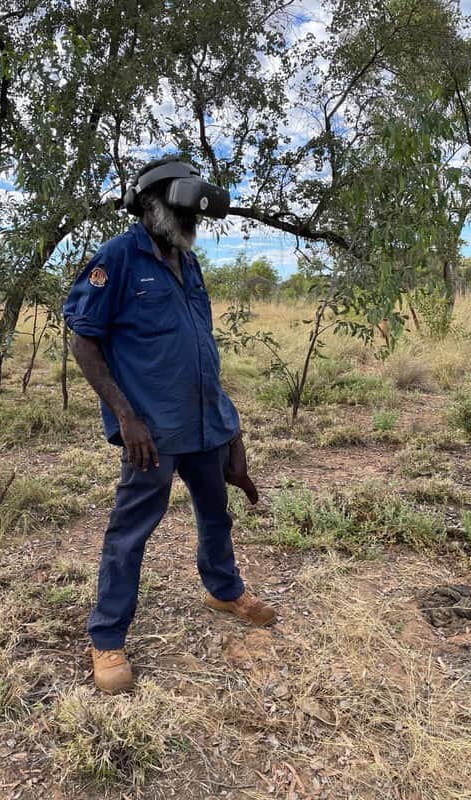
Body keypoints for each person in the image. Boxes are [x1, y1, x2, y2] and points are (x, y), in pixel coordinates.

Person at [63, 155, 276, 694]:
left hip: (204, 425)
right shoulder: (117, 258)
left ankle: (224, 590)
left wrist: (231, 430)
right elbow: (83, 340)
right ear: (152, 205)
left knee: (215, 514)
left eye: (197, 220)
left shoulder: (188, 260)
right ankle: (107, 636)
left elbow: (203, 350)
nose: (194, 228)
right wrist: (126, 416)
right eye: (186, 215)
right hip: (151, 435)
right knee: (129, 533)